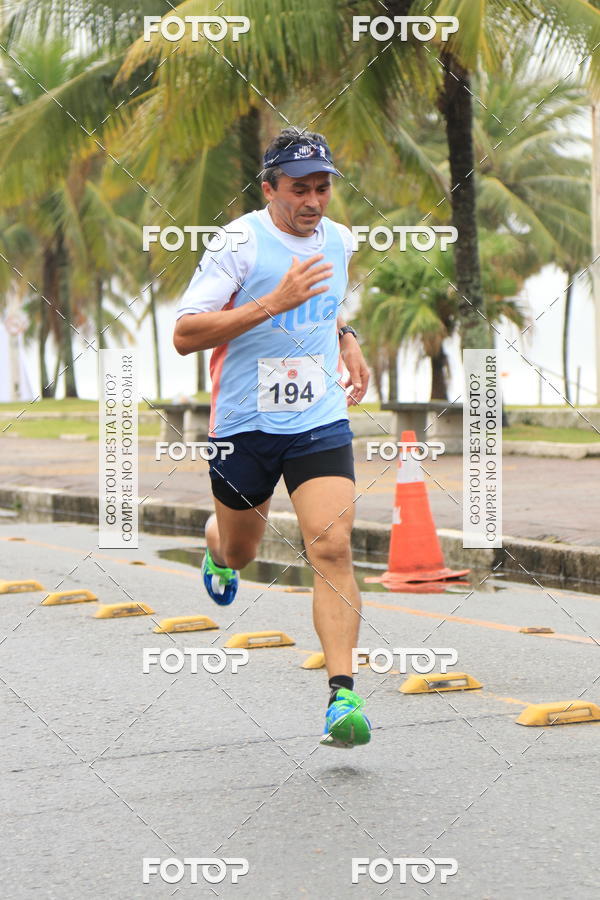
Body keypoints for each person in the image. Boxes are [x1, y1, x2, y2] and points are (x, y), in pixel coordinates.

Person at [174, 127, 371, 748]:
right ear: (269, 189)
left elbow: (327, 301)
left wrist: (347, 338)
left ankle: (342, 697)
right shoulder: (237, 243)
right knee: (241, 551)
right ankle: (216, 546)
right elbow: (185, 334)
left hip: (318, 417)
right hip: (244, 425)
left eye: (322, 188)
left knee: (331, 546)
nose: (313, 201)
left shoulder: (339, 239)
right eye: (298, 189)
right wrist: (272, 302)